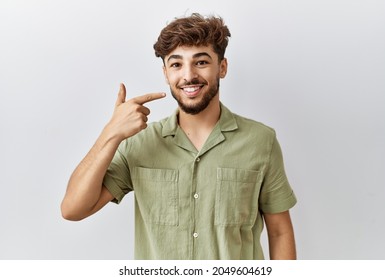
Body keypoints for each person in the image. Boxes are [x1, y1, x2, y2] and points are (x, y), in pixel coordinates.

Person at [61, 13, 297, 260]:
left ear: (222, 67)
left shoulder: (261, 141)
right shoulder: (140, 144)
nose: (189, 75)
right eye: (176, 64)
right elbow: (72, 209)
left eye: (201, 62)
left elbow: (280, 231)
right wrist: (111, 134)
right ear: (166, 74)